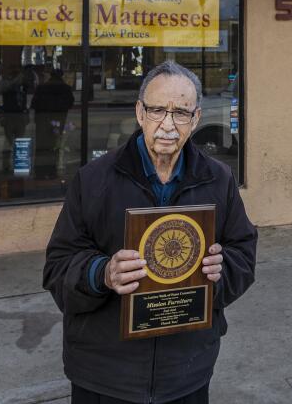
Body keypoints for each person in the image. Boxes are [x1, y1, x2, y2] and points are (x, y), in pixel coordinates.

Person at [43, 61, 257, 403]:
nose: (168, 125)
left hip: (186, 371)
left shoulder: (219, 180)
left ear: (197, 118)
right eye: (157, 110)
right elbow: (57, 267)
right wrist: (103, 273)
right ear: (140, 113)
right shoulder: (94, 179)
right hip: (105, 374)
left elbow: (243, 254)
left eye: (181, 113)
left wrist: (222, 271)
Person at [31, 68, 75, 179]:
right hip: (58, 121)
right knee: (55, 146)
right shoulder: (66, 88)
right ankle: (51, 170)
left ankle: (40, 171)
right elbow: (70, 103)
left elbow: (34, 104)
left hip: (43, 121)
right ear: (61, 76)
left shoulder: (42, 88)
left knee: (42, 147)